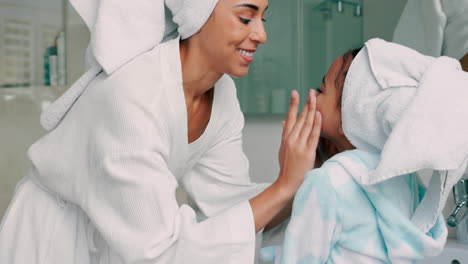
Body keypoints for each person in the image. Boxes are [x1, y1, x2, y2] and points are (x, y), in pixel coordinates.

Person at [0, 0, 323, 263]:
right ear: (198, 17)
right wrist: (283, 187)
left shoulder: (222, 96)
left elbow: (230, 203)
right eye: (245, 18)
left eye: (263, 18)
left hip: (123, 236)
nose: (261, 35)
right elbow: (161, 251)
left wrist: (308, 184)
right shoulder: (135, 96)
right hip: (53, 240)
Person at [261, 38, 468, 263]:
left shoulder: (327, 181)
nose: (313, 95)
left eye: (322, 90)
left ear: (350, 117)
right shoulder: (405, 180)